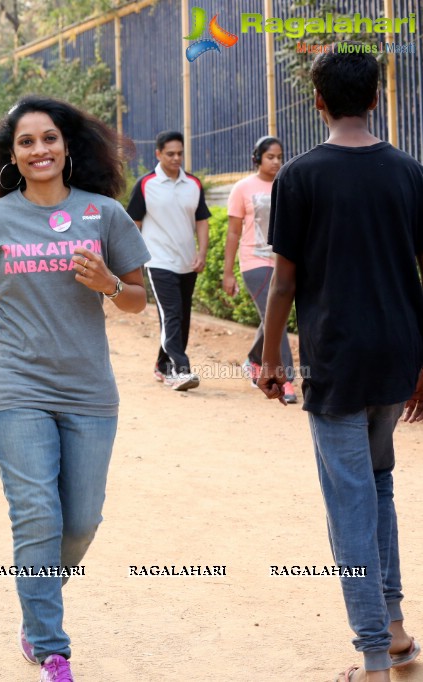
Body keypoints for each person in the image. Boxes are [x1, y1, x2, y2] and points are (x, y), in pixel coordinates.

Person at [0, 96, 149, 682]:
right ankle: (51, 647)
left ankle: (36, 601)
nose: (39, 150)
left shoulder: (104, 214)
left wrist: (106, 282)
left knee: (81, 522)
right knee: (36, 516)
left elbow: (136, 298)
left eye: (48, 138)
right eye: (26, 142)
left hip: (88, 392)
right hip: (15, 387)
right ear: (12, 155)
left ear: (67, 145)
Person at [258, 51, 423, 682]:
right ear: (376, 99)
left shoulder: (300, 176)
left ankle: (375, 661)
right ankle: (399, 634)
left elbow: (282, 284)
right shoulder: (410, 173)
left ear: (318, 103)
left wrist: (271, 359)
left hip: (335, 355)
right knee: (378, 486)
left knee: (350, 501)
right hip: (397, 354)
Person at [126, 130, 210, 391]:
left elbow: (202, 221)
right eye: (170, 153)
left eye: (180, 153)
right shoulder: (145, 184)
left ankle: (162, 365)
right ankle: (179, 369)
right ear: (158, 153)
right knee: (172, 313)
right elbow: (133, 224)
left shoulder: (193, 184)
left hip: (188, 263)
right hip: (158, 261)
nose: (176, 158)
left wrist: (202, 253)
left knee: (181, 317)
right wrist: (131, 261)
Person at [222, 135, 297, 403]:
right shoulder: (242, 188)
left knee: (272, 318)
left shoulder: (288, 184)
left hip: (283, 262)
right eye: (270, 157)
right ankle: (286, 379)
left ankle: (254, 359)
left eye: (279, 156)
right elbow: (233, 233)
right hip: (254, 262)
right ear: (257, 159)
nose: (276, 161)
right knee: (274, 315)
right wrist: (228, 272)